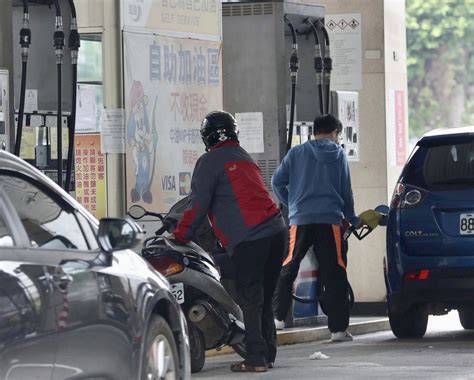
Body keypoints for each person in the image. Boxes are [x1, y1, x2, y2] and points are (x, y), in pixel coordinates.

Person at [173, 110, 287, 372]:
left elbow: (197, 207)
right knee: (264, 298)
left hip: (251, 238)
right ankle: (267, 354)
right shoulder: (242, 156)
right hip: (277, 232)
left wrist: (179, 235)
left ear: (207, 136)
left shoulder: (209, 162)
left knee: (249, 299)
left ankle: (256, 359)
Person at [271, 114, 362, 342]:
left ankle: (277, 320)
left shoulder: (296, 153)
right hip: (329, 221)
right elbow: (345, 190)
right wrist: (351, 217)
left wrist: (292, 202)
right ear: (334, 133)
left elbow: (276, 182)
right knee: (335, 272)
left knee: (288, 267)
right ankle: (338, 330)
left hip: (300, 220)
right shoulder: (339, 155)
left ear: (315, 132)